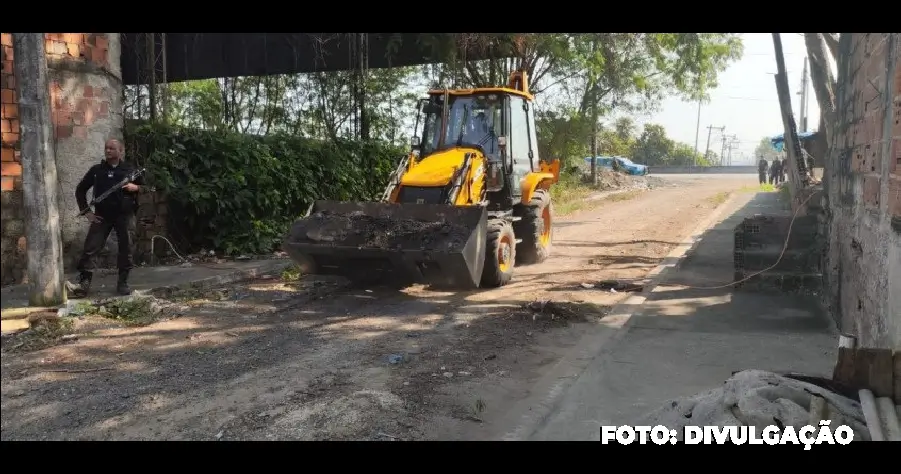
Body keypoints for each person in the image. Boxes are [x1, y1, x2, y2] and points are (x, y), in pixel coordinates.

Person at [69, 138, 145, 297]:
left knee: (126, 249)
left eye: (112, 148)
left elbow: (148, 189)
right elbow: (80, 190)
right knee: (90, 248)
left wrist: (136, 187)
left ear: (121, 151)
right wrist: (87, 212)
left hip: (124, 215)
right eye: (106, 148)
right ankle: (84, 283)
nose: (108, 151)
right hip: (101, 216)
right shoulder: (97, 170)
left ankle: (123, 282)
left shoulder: (130, 170)